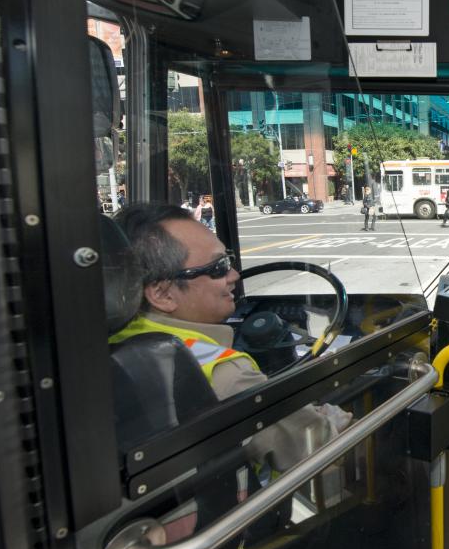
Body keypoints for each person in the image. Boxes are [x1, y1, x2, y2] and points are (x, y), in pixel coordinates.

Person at [112, 203, 351, 473]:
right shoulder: (225, 372)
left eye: (229, 260)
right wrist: (329, 416)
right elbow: (321, 449)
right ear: (163, 294)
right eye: (218, 267)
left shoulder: (114, 341)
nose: (234, 275)